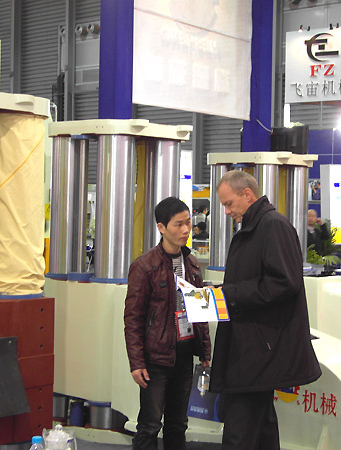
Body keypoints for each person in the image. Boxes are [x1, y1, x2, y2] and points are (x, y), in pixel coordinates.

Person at [210, 171, 321, 450]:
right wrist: (221, 292)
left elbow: (285, 282)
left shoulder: (272, 227)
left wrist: (231, 294)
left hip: (259, 349)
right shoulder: (255, 228)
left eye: (229, 203)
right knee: (262, 429)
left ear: (247, 194)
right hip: (254, 345)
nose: (227, 212)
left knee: (240, 430)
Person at [124, 197, 211, 450]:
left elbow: (200, 311)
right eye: (178, 224)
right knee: (150, 424)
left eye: (188, 223)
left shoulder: (192, 263)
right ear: (161, 227)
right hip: (156, 357)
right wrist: (137, 362)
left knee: (178, 424)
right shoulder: (144, 266)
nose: (185, 230)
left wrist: (205, 351)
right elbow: (133, 318)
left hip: (184, 353)